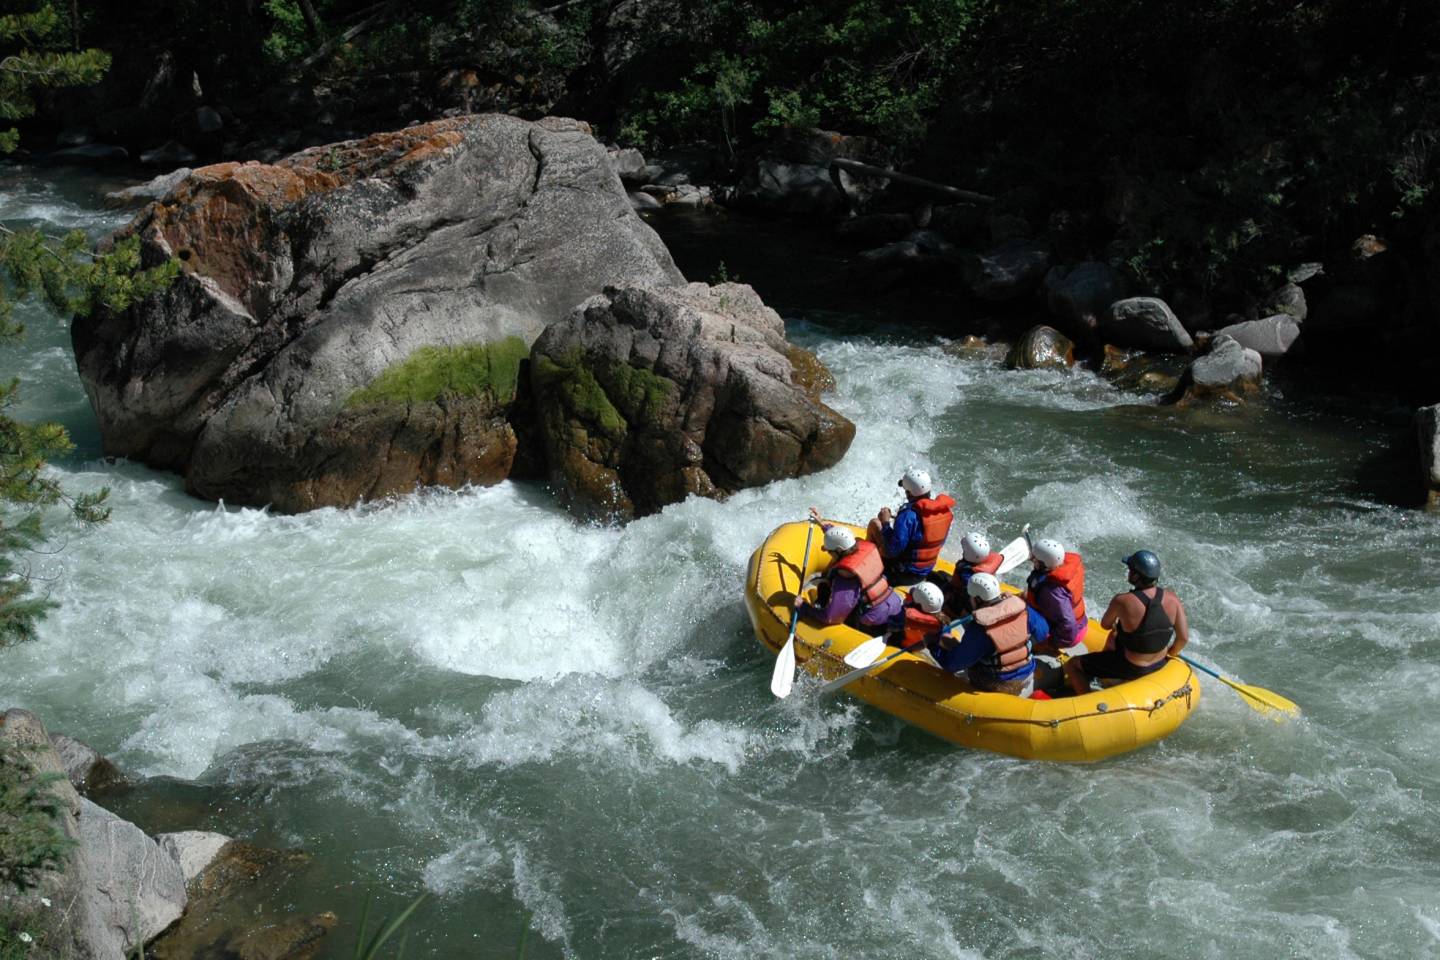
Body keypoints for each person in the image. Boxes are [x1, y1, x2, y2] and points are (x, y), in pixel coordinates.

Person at [1064, 550, 1190, 694]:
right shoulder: (1173, 599)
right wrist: (1168, 654)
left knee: (1073, 665)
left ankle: (1084, 702)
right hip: (1159, 663)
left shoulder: (1122, 601)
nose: (1128, 573)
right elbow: (1183, 638)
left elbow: (1105, 625)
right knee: (1116, 637)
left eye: (1130, 570)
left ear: (1136, 576)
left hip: (1131, 667)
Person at [930, 573, 1058, 696]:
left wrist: (932, 646)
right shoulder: (1023, 609)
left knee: (952, 644)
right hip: (1028, 672)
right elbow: (1043, 631)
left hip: (999, 683)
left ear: (977, 598)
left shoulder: (980, 629)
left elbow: (952, 665)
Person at [796, 510, 902, 635]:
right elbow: (841, 538)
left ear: (839, 551)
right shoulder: (860, 548)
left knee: (824, 588)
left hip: (876, 619)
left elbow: (832, 618)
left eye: (829, 551)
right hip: (894, 603)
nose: (828, 554)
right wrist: (822, 524)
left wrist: (804, 607)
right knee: (825, 586)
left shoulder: (846, 576)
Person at [866, 467, 955, 585]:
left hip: (900, 573)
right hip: (924, 571)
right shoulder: (944, 512)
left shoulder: (908, 516)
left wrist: (885, 522)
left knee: (875, 523)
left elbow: (892, 550)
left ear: (909, 493)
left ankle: (866, 560)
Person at [1025, 537, 1088, 656]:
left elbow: (1068, 625)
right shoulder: (1061, 565)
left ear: (1042, 564)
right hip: (1080, 623)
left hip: (1070, 634)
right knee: (1024, 597)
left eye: (1035, 560)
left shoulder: (1052, 591)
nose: (1033, 561)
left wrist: (1050, 643)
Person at [942, 531, 1004, 618]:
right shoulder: (987, 559)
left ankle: (950, 612)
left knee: (944, 587)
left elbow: (968, 591)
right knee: (942, 575)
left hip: (968, 600)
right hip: (986, 591)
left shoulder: (966, 572)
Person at [888, 581, 947, 652]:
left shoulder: (908, 615)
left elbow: (890, 625)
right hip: (918, 645)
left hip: (904, 643)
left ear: (917, 604)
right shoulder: (941, 619)